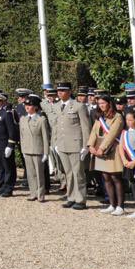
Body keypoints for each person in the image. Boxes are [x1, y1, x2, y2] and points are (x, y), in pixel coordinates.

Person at [53, 81, 92, 210]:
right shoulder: (57, 106)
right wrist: (55, 143)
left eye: (63, 90)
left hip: (76, 144)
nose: (60, 92)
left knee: (78, 173)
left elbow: (86, 127)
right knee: (68, 173)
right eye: (58, 90)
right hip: (62, 144)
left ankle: (80, 199)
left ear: (69, 91)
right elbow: (57, 126)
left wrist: (86, 146)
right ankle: (71, 197)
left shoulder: (78, 106)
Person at [87, 92, 124, 215]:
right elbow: (94, 131)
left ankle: (120, 206)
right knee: (106, 177)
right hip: (99, 149)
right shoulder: (100, 116)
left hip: (112, 148)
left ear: (109, 103)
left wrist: (102, 148)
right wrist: (90, 145)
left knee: (115, 177)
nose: (101, 105)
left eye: (103, 103)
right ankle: (112, 204)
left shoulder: (117, 117)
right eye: (99, 103)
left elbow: (113, 134)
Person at [19, 95, 50, 202]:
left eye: (30, 105)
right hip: (27, 150)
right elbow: (22, 137)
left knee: (39, 174)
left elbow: (45, 137)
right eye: (26, 105)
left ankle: (40, 194)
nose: (27, 107)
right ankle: (33, 193)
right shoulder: (23, 119)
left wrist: (46, 152)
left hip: (37, 150)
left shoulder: (41, 120)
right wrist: (23, 150)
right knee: (30, 174)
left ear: (36, 107)